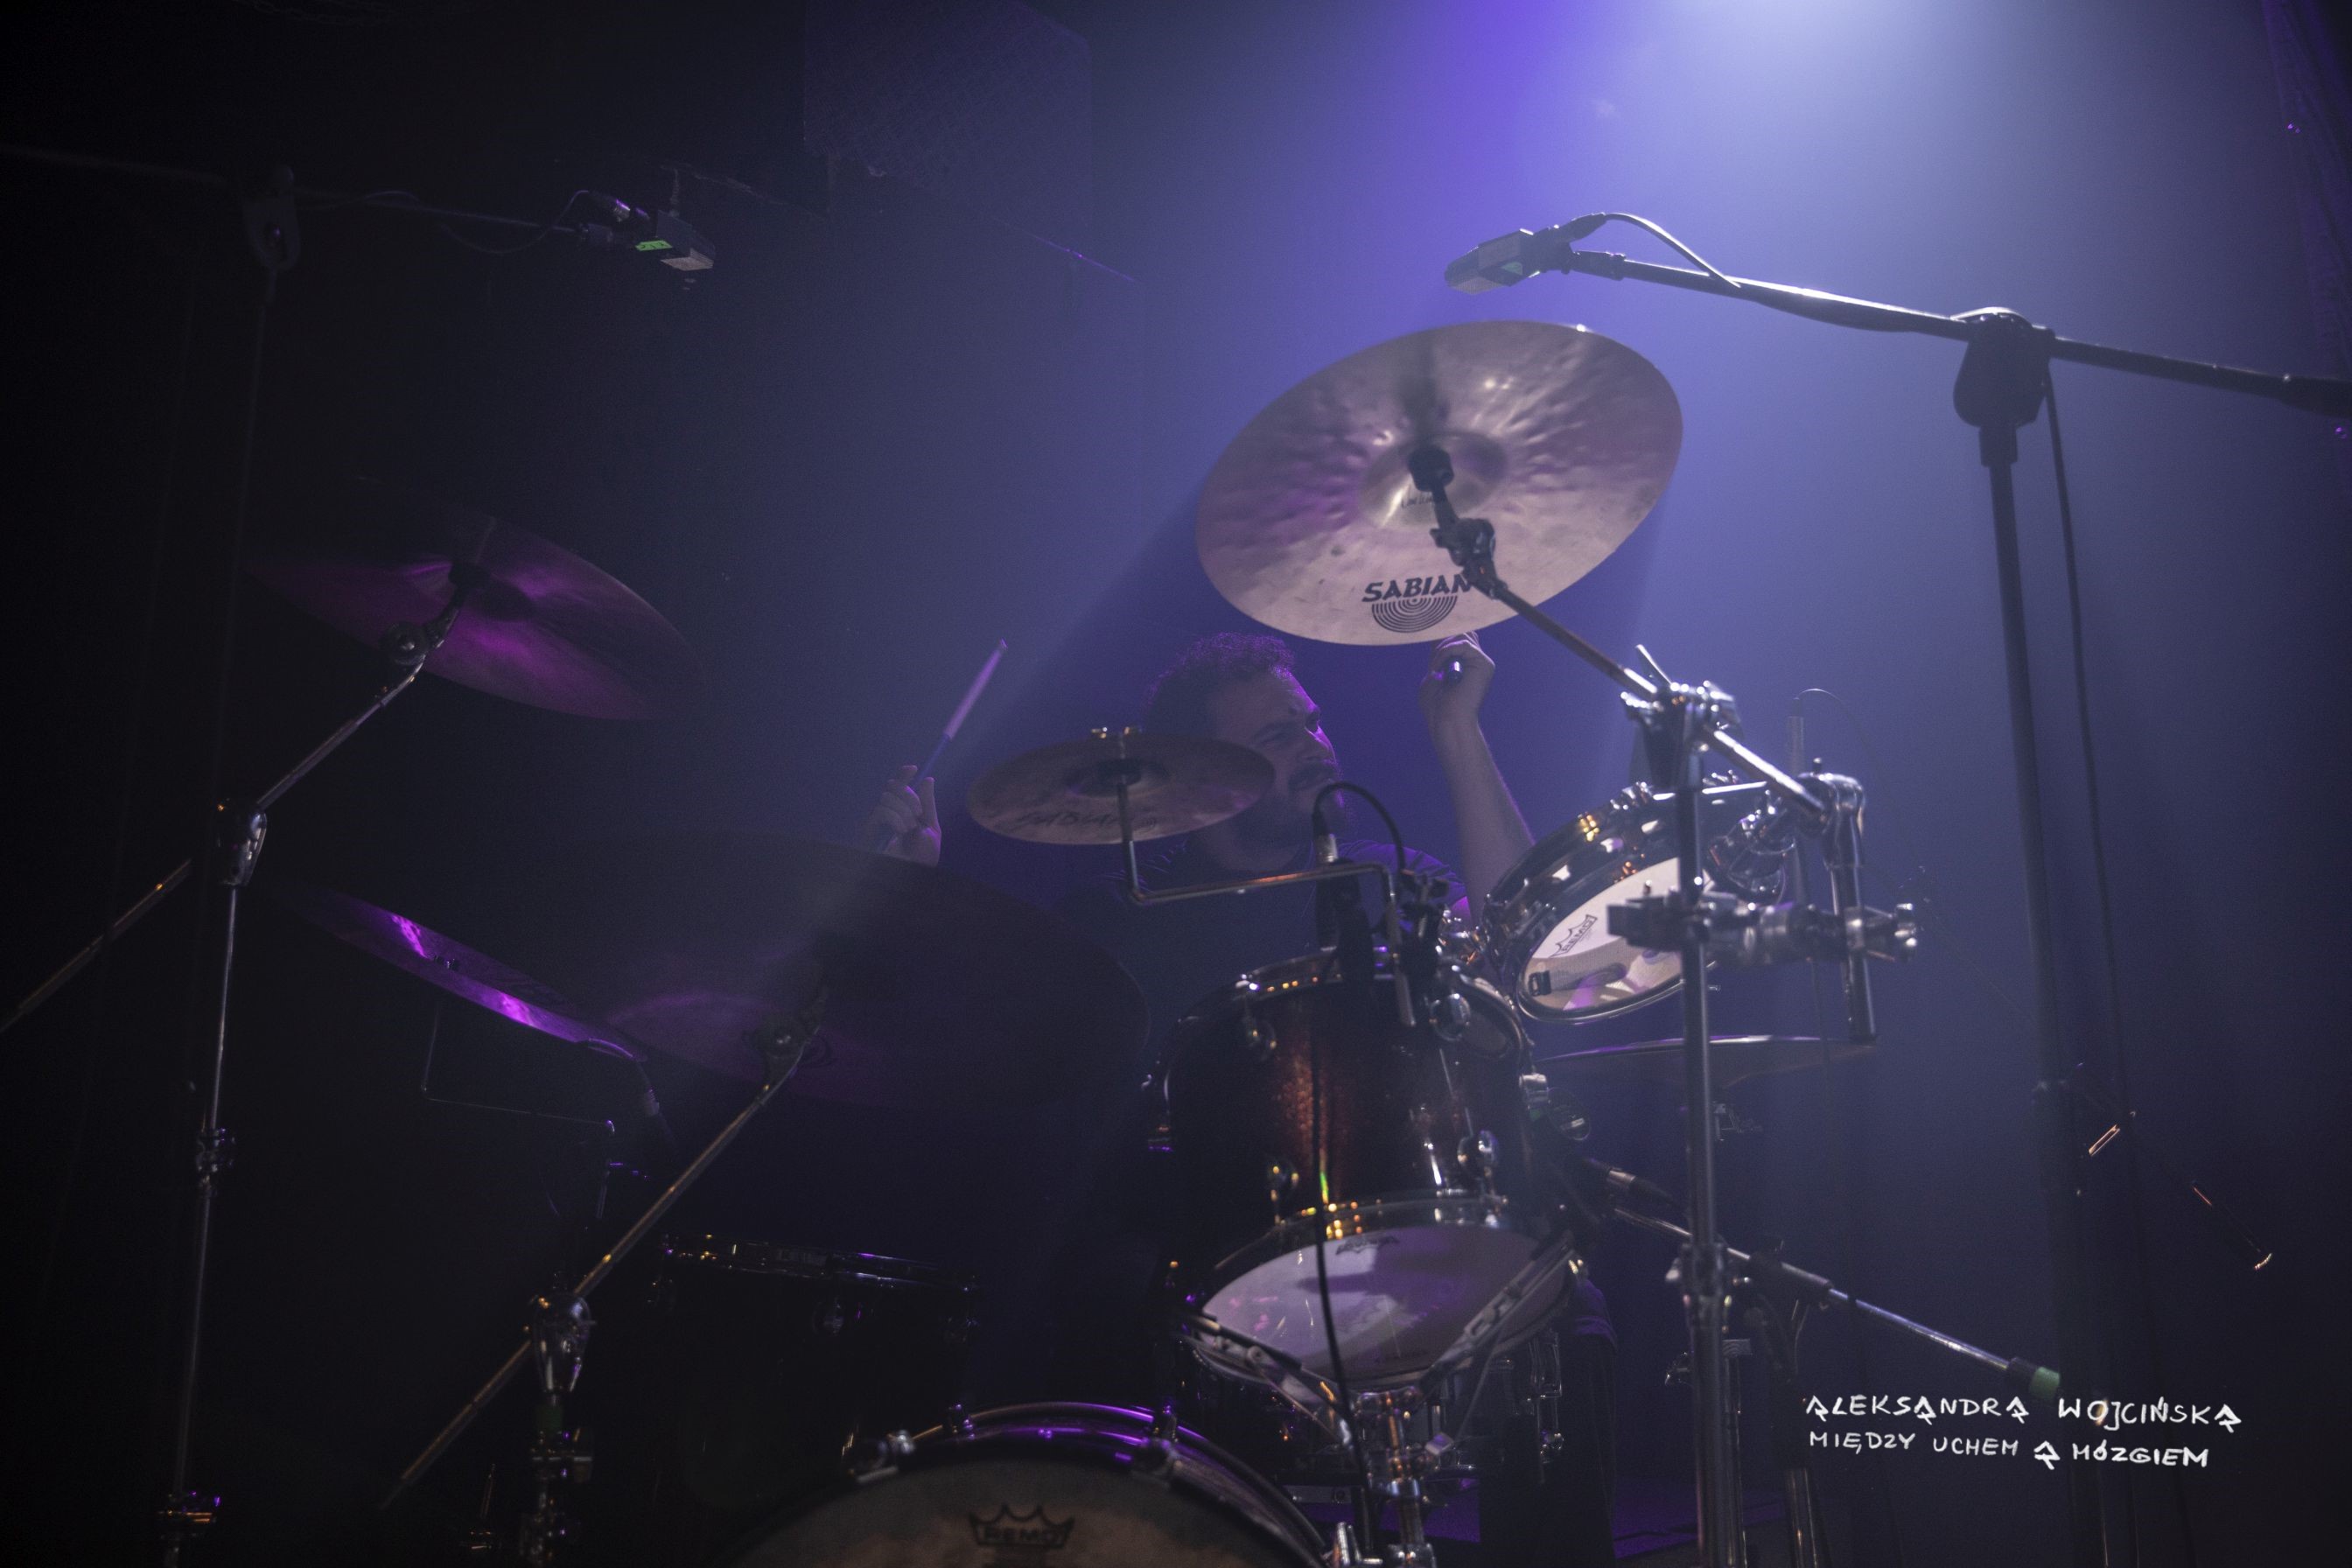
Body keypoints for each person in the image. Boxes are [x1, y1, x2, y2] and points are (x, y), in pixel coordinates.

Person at [863, 629, 1618, 1567]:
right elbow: (983, 1042)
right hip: (1204, 1261)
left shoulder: (1389, 878)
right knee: (1100, 1294)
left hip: (1404, 1231)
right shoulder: (1123, 919)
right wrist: (909, 892)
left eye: (1310, 722)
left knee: (1566, 1317)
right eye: (1274, 736)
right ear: (1205, 776)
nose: (1313, 743)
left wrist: (1457, 734)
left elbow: (1525, 960)